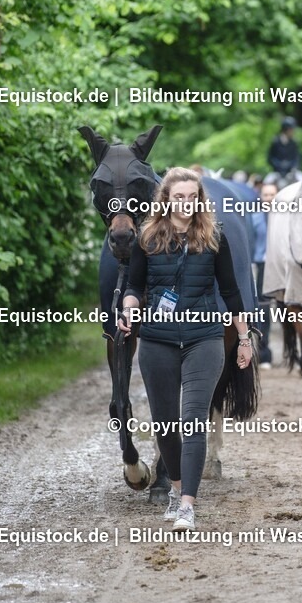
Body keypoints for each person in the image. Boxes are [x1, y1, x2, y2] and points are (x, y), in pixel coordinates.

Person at [117, 167, 254, 531]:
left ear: (199, 199)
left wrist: (243, 338)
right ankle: (177, 489)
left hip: (204, 339)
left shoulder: (213, 238)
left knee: (194, 420)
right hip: (157, 340)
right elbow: (133, 286)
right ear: (166, 199)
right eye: (179, 197)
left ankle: (188, 505)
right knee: (166, 425)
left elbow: (231, 293)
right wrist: (129, 308)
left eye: (192, 197)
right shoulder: (146, 239)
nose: (186, 203)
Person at [252, 181, 279, 368]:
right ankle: (264, 352)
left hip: (281, 266)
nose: (269, 198)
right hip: (262, 264)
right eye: (266, 195)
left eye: (272, 194)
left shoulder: (286, 217)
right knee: (264, 309)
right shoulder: (254, 217)